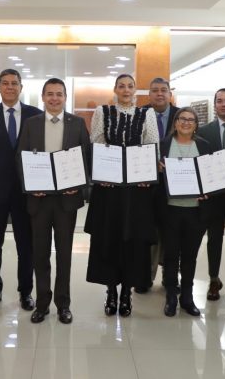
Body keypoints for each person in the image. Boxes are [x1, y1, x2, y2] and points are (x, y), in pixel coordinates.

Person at [17, 78, 91, 324]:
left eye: (59, 94)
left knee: (64, 255)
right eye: (50, 94)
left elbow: (86, 158)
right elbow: (21, 158)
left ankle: (63, 304)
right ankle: (42, 304)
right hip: (39, 201)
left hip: (66, 202)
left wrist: (78, 184)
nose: (54, 98)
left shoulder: (77, 124)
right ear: (43, 97)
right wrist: (30, 187)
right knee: (40, 255)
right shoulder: (31, 124)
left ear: (65, 97)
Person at [85, 73, 159, 317]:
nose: (126, 90)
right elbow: (96, 144)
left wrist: (148, 174)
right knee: (109, 239)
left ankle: (127, 292)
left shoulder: (146, 114)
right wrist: (100, 174)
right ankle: (111, 291)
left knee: (133, 241)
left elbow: (152, 147)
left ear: (135, 90)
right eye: (122, 86)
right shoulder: (102, 112)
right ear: (115, 89)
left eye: (130, 86)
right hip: (109, 189)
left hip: (136, 191)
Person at [0, 69, 43, 311]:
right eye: (5, 83)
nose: (10, 87)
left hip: (26, 192)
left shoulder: (35, 115)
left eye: (14, 83)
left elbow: (42, 153)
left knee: (26, 246)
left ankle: (26, 292)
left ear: (21, 87)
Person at [158, 107, 212, 317]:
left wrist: (208, 191)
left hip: (196, 211)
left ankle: (187, 297)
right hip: (170, 209)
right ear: (175, 122)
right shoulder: (163, 145)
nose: (186, 122)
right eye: (182, 119)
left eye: (191, 120)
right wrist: (157, 169)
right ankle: (171, 296)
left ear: (196, 125)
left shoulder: (204, 146)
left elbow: (211, 175)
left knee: (190, 256)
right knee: (171, 255)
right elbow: (154, 178)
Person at [198, 88, 225, 302]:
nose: (224, 104)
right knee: (214, 239)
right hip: (213, 196)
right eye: (220, 101)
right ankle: (214, 279)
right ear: (215, 105)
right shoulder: (204, 131)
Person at [140, 77, 179, 294]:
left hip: (176, 184)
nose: (159, 94)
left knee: (172, 232)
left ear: (170, 94)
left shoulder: (182, 115)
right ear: (149, 94)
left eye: (164, 90)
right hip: (146, 185)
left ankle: (170, 276)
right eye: (155, 90)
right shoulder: (140, 115)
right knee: (149, 231)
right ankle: (146, 276)